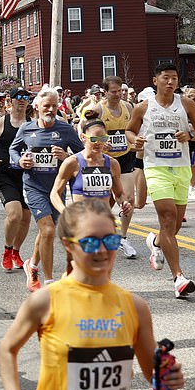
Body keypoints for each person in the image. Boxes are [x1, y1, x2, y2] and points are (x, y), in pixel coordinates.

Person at [0, 200, 185, 390]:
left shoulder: (135, 306)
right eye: (89, 242)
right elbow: (7, 349)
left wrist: (168, 377)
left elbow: (152, 371)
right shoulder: (46, 300)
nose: (101, 250)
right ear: (68, 245)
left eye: (109, 241)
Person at [127, 63, 195, 298]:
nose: (170, 82)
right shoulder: (143, 107)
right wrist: (136, 141)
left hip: (180, 168)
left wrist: (190, 134)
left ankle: (156, 243)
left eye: (174, 78)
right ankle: (179, 278)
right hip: (156, 167)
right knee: (169, 217)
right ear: (155, 81)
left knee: (174, 227)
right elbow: (130, 131)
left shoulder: (186, 104)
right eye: (166, 78)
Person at [10, 88, 85, 289]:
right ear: (36, 107)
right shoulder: (26, 129)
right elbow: (13, 149)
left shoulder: (66, 129)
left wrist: (66, 157)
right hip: (34, 186)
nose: (51, 110)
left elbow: (81, 155)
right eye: (47, 106)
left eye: (54, 106)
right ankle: (49, 282)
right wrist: (20, 161)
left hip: (57, 189)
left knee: (46, 232)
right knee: (49, 230)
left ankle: (32, 265)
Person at [81, 76, 139, 257]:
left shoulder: (128, 107)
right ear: (105, 92)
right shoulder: (97, 109)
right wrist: (98, 143)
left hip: (126, 157)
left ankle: (123, 237)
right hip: (104, 161)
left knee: (128, 198)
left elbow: (133, 128)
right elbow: (83, 129)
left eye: (120, 90)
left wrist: (135, 139)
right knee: (107, 201)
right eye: (113, 91)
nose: (118, 94)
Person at [0, 87, 32, 275]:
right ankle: (7, 250)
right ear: (10, 100)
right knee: (15, 214)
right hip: (6, 175)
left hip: (27, 177)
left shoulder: (32, 124)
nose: (22, 100)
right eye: (18, 97)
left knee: (26, 217)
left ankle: (16, 252)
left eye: (25, 97)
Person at [49, 119, 134, 220]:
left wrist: (124, 203)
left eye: (102, 139)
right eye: (94, 139)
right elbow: (55, 193)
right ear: (83, 138)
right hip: (81, 221)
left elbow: (119, 194)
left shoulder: (112, 163)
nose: (98, 143)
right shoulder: (72, 162)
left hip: (103, 221)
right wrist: (65, 211)